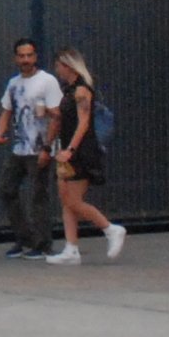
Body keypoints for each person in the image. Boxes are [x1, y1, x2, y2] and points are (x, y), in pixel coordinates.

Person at [42, 49, 125, 264]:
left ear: (67, 66)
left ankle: (110, 228)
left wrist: (71, 150)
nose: (57, 70)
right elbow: (64, 118)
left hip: (79, 152)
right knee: (66, 200)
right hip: (65, 150)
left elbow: (84, 123)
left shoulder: (81, 90)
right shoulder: (69, 91)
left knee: (73, 200)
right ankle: (71, 249)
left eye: (59, 66)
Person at [0, 39, 60, 258]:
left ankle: (43, 243)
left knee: (39, 195)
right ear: (15, 58)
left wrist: (47, 147)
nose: (26, 60)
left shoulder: (47, 81)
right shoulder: (13, 84)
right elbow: (7, 111)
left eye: (29, 55)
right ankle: (25, 237)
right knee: (7, 189)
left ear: (36, 57)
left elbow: (57, 116)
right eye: (21, 56)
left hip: (40, 147)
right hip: (20, 148)